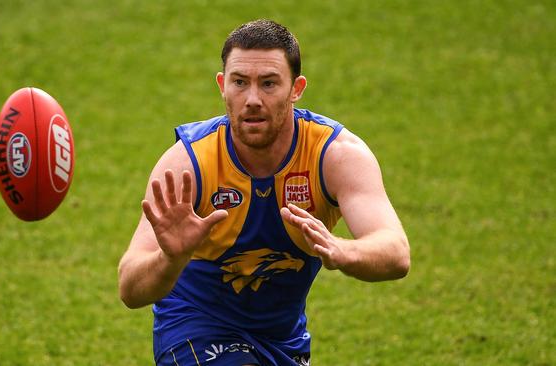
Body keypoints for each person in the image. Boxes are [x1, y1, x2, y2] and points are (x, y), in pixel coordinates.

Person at [118, 19, 410, 366]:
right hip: (194, 330)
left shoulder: (335, 155)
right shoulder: (187, 164)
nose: (252, 99)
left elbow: (396, 252)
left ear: (296, 88)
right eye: (239, 83)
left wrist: (342, 250)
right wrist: (171, 258)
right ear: (221, 85)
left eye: (269, 84)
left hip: (283, 340)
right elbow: (130, 289)